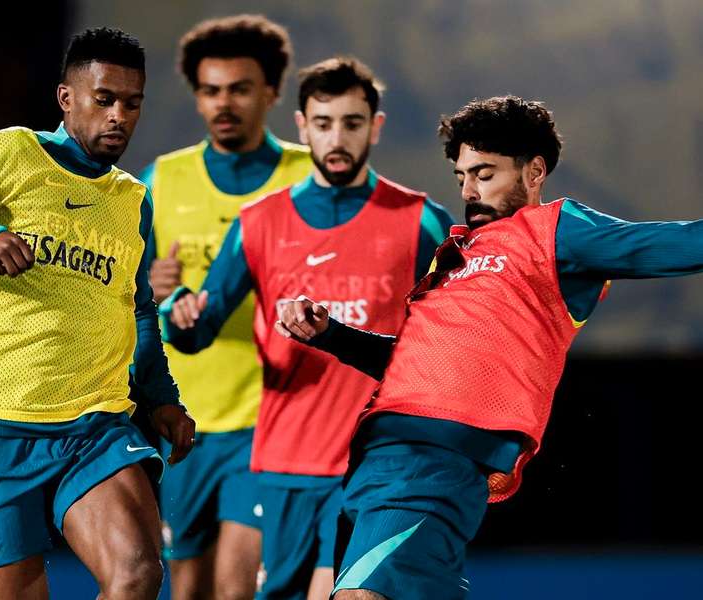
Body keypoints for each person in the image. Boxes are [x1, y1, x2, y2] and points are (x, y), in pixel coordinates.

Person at [274, 95, 703, 600]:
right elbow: (415, 363)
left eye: (485, 174)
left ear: (535, 171)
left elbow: (662, 245)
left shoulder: (555, 232)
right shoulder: (450, 258)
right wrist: (331, 335)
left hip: (431, 460)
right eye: (461, 177)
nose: (469, 190)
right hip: (376, 458)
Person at [0, 27, 194, 600]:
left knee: (138, 575)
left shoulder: (130, 200)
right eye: (104, 99)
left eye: (132, 102)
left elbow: (138, 307)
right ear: (66, 99)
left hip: (93, 425)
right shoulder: (3, 156)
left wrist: (161, 395)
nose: (119, 115)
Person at [161, 57, 454, 599]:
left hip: (374, 466)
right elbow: (198, 330)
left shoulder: (421, 220)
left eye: (351, 122)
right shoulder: (259, 222)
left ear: (376, 126)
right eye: (323, 124)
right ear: (301, 126)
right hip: (283, 466)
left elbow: (456, 333)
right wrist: (176, 313)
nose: (336, 137)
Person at [139, 15, 311, 600]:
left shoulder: (309, 177)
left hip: (274, 418)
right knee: (187, 588)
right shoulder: (163, 179)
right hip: (186, 422)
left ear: (271, 92)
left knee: (237, 587)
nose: (224, 103)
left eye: (239, 88)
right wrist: (151, 289)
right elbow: (127, 296)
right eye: (211, 90)